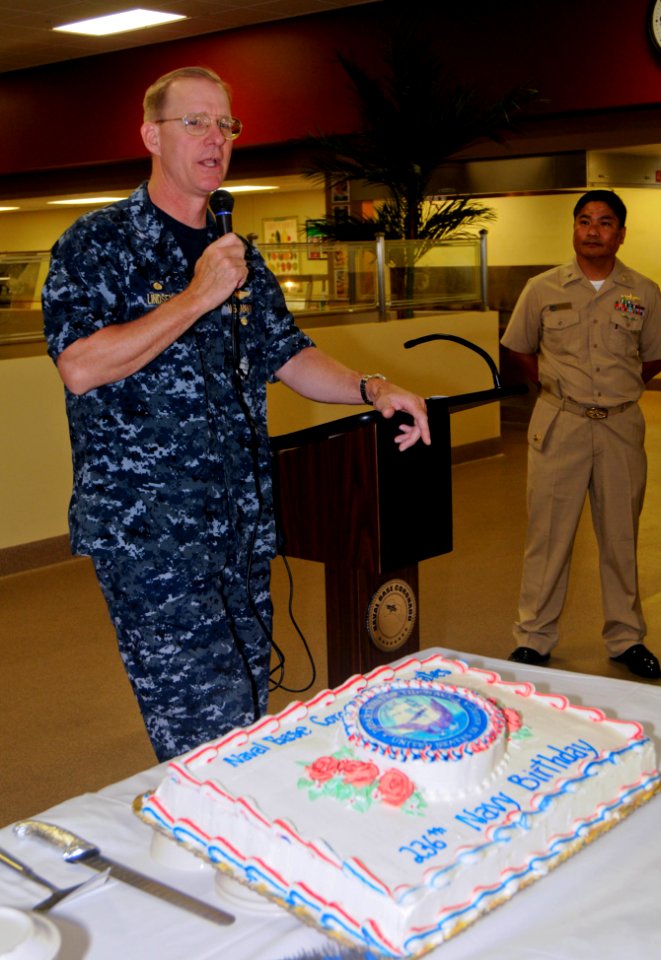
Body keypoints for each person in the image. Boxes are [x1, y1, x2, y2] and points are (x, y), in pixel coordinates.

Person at [42, 66, 431, 761]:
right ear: (150, 135)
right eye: (194, 122)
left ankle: (232, 846)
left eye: (225, 124)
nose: (214, 139)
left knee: (248, 711)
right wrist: (195, 297)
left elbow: (287, 354)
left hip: (241, 525)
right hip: (151, 534)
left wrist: (371, 386)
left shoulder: (237, 254)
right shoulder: (97, 243)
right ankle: (206, 852)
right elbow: (81, 366)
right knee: (205, 730)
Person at [502, 189, 661, 680]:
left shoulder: (645, 292)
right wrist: (559, 386)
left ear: (621, 233)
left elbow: (653, 356)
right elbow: (520, 349)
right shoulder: (542, 288)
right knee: (547, 536)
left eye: (605, 222)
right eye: (585, 221)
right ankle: (534, 638)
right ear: (574, 228)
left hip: (620, 425)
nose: (593, 230)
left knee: (620, 535)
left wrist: (618, 388)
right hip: (561, 422)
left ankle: (626, 637)